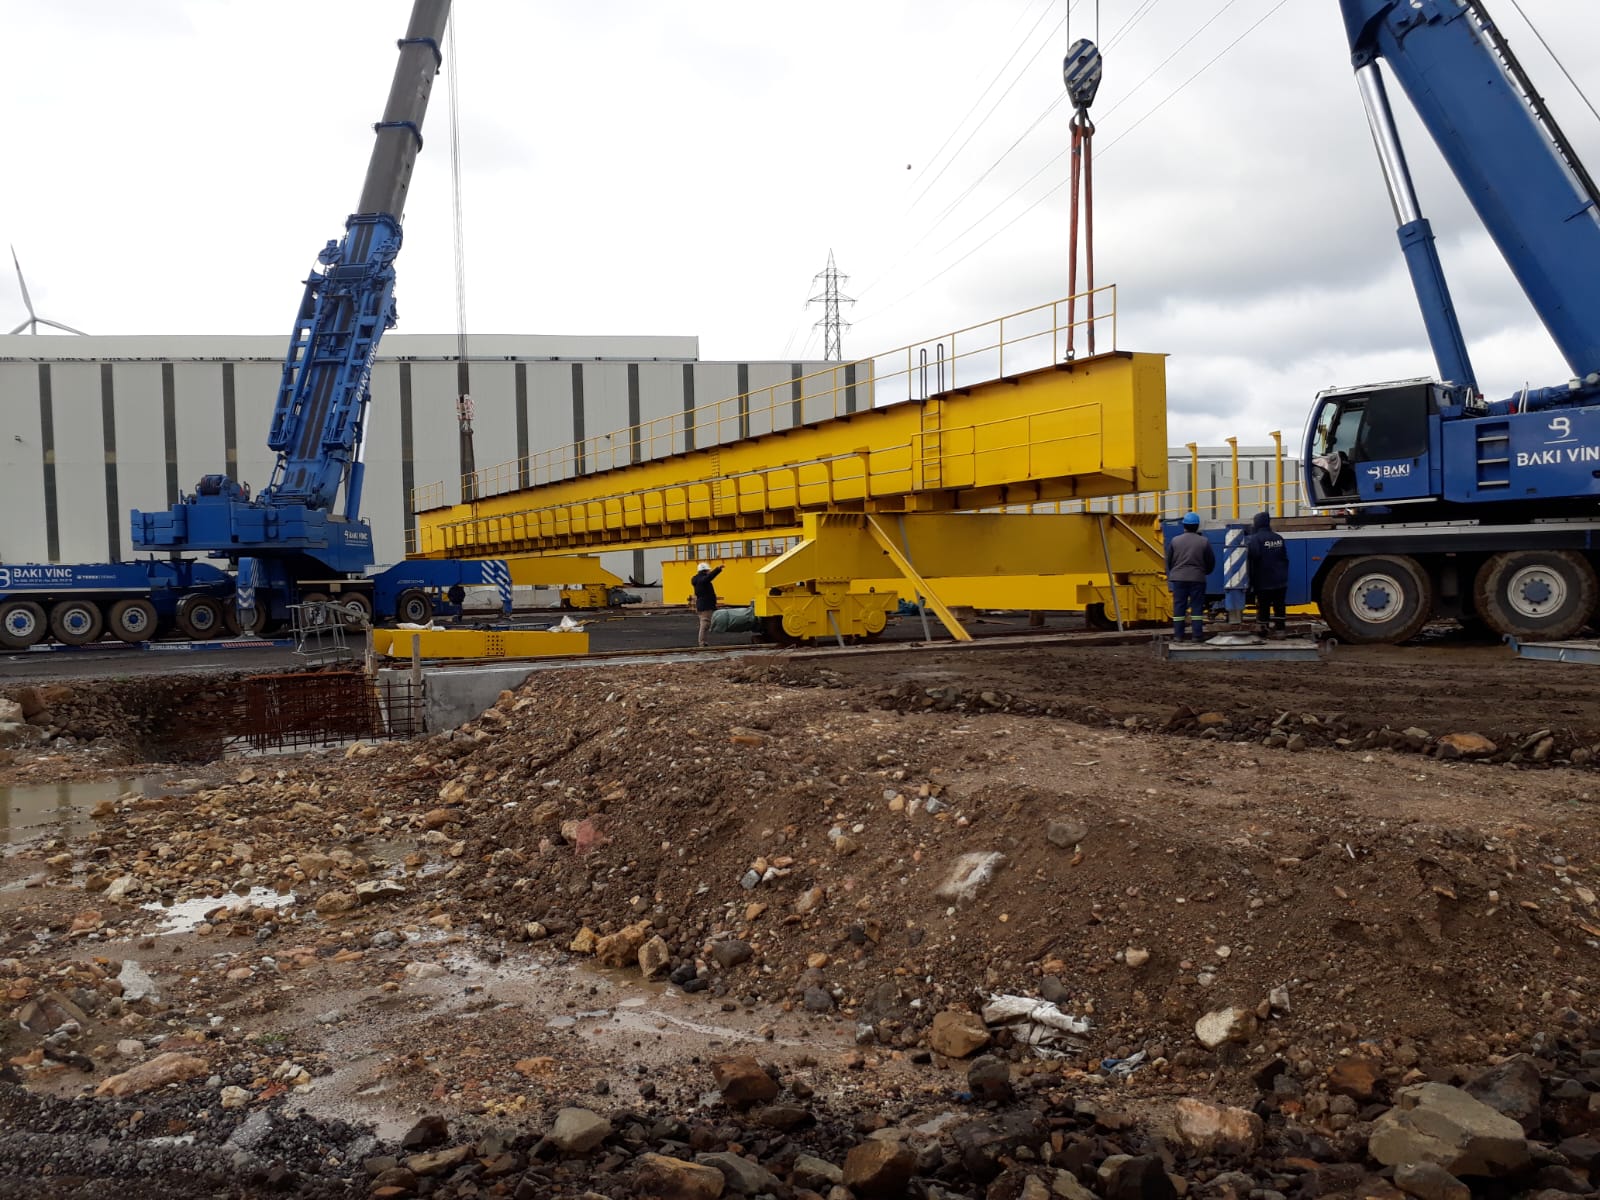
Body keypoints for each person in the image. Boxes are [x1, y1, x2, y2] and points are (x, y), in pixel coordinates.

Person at [1165, 512, 1215, 642]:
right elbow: (1210, 561)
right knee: (1197, 607)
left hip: (1179, 579)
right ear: (1197, 526)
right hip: (1197, 579)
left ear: (1184, 525)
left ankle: (1178, 635)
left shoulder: (1175, 541)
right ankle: (1197, 636)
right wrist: (1204, 572)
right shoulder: (1204, 542)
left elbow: (1169, 561)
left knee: (1179, 606)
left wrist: (1176, 573)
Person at [1245, 511, 1290, 637]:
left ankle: (1263, 631)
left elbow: (1254, 557)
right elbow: (1284, 557)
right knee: (1279, 606)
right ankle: (1280, 631)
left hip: (1264, 580)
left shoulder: (1255, 539)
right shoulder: (1278, 538)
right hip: (1281, 580)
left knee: (1264, 606)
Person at [691, 561, 723, 647]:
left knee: (706, 623)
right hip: (705, 606)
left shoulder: (697, 580)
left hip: (703, 605)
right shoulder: (702, 580)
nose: (709, 571)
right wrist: (718, 569)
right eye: (708, 570)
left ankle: (703, 642)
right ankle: (702, 642)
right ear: (704, 571)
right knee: (705, 624)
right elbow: (708, 577)